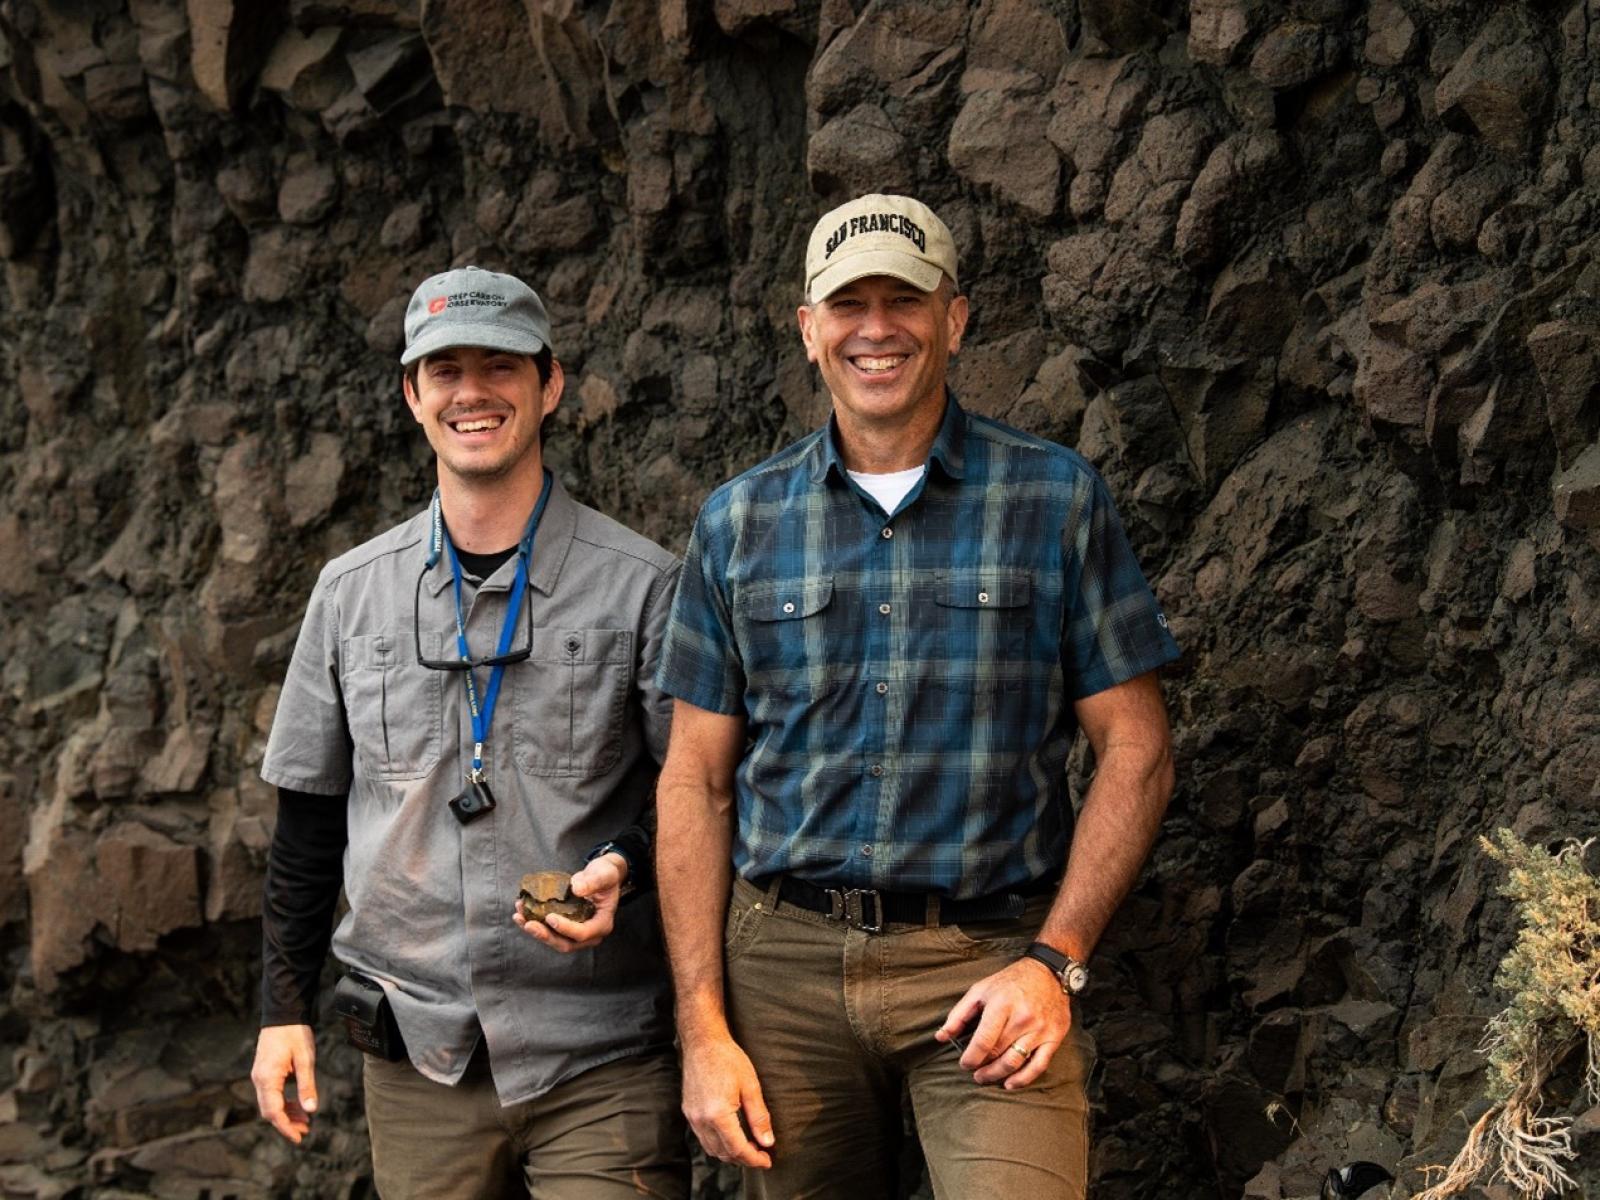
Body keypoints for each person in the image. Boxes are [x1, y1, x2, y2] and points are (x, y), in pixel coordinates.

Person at [653, 193, 1180, 1199]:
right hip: (784, 972)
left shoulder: (1054, 499)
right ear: (809, 330)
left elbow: (1137, 749)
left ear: (955, 319)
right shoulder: (737, 523)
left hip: (986, 962)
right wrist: (703, 1027)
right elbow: (694, 782)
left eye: (906, 299)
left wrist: (1053, 962)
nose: (877, 328)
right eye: (850, 304)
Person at [249, 266, 688, 1199]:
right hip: (418, 1052)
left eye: (501, 366)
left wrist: (623, 863)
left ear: (550, 384)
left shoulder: (643, 585)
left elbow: (693, 791)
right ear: (413, 395)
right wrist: (280, 1011)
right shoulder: (349, 592)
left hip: (600, 1051)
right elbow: (308, 821)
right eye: (446, 370)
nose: (472, 392)